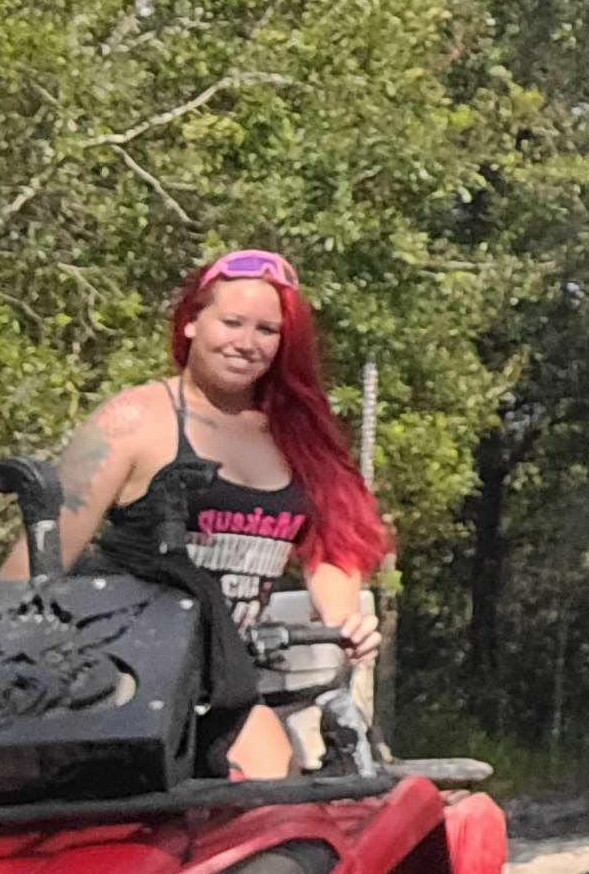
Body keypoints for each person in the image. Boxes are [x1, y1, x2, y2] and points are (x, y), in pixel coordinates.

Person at [25, 248, 391, 781]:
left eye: (266, 330)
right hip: (124, 674)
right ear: (192, 322)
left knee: (279, 798)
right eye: (232, 322)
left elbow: (332, 544)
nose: (246, 342)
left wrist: (343, 624)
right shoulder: (132, 420)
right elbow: (40, 555)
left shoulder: (299, 436)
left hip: (230, 679)